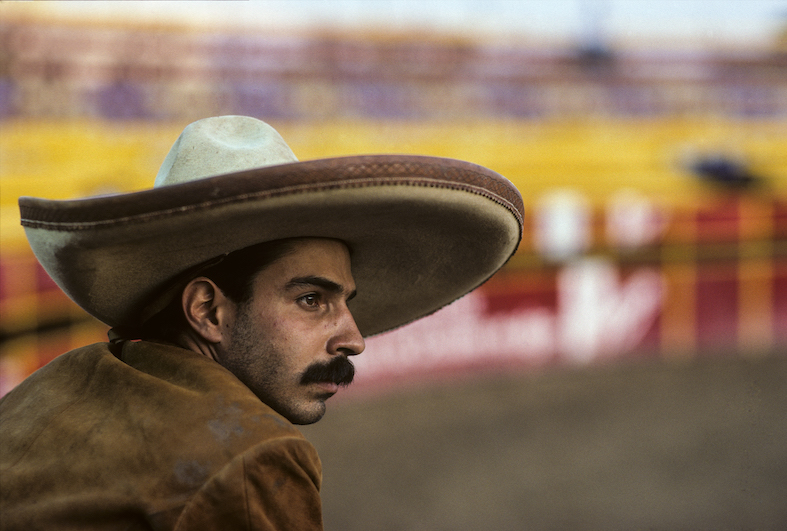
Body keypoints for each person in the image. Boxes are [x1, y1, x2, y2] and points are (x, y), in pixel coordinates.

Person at [0, 116, 523, 529]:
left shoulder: (42, 394)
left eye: (346, 302)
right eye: (312, 299)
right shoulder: (249, 457)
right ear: (207, 311)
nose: (355, 339)